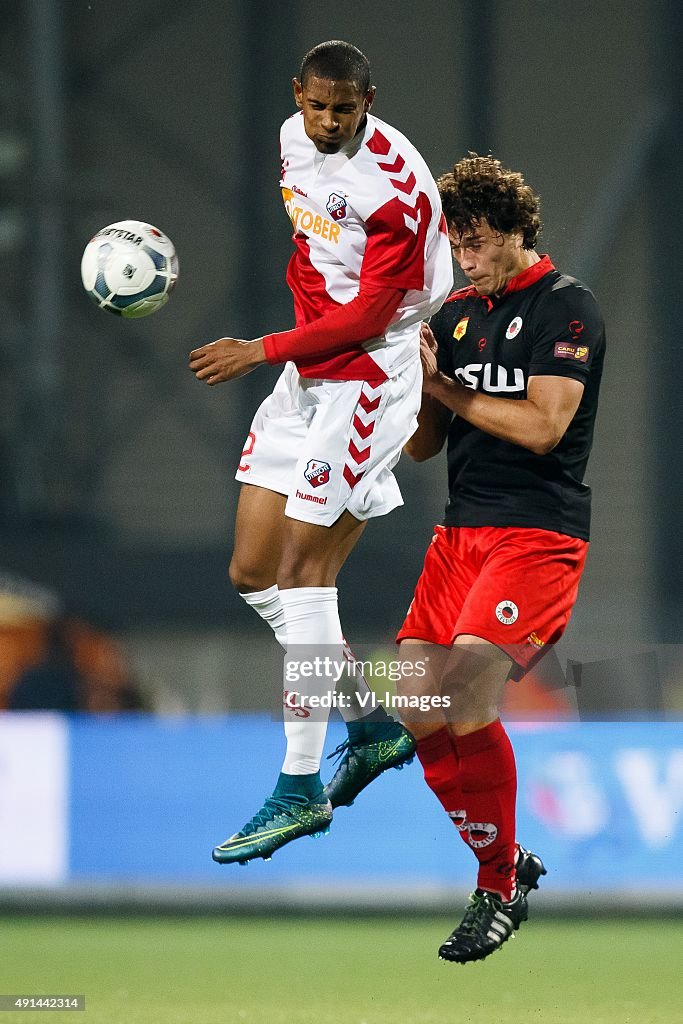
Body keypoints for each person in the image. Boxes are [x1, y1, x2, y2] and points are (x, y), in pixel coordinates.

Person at [188, 40, 453, 864]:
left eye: (345, 107)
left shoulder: (396, 188)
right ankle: (369, 725)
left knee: (306, 578)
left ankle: (299, 787)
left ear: (369, 99)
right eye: (317, 105)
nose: (328, 120)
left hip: (368, 376)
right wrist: (293, 348)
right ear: (298, 94)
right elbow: (313, 255)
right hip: (308, 370)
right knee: (252, 573)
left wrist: (260, 347)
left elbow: (374, 316)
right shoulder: (288, 141)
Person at [393, 154, 605, 963]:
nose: (465, 256)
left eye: (476, 241)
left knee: (467, 693)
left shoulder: (567, 307)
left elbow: (544, 427)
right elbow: (421, 449)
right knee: (417, 704)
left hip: (535, 533)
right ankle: (506, 866)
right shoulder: (452, 314)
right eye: (456, 243)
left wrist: (446, 390)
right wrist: (412, 383)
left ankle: (493, 888)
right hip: (458, 536)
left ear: (515, 231)